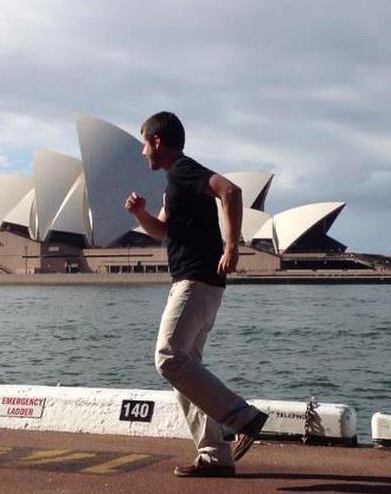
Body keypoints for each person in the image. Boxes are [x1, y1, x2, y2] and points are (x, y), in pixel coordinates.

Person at [125, 111, 268, 478]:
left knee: (168, 358)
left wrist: (232, 246)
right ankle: (214, 455)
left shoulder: (184, 170)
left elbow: (231, 191)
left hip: (196, 280)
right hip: (199, 282)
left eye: (144, 142)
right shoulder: (176, 181)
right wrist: (141, 214)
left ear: (157, 141)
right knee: (186, 370)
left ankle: (242, 417)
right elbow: (162, 231)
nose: (142, 151)